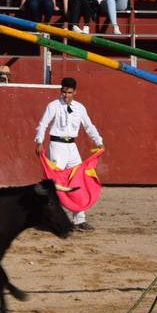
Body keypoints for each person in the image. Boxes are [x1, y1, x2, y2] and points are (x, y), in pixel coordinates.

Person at [34, 76, 104, 231]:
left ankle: (79, 220)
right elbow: (43, 124)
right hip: (57, 145)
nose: (66, 95)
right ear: (61, 91)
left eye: (69, 92)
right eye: (63, 92)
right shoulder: (53, 106)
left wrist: (98, 141)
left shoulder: (80, 108)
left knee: (77, 181)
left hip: (72, 147)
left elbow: (89, 126)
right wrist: (39, 141)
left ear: (75, 92)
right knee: (55, 184)